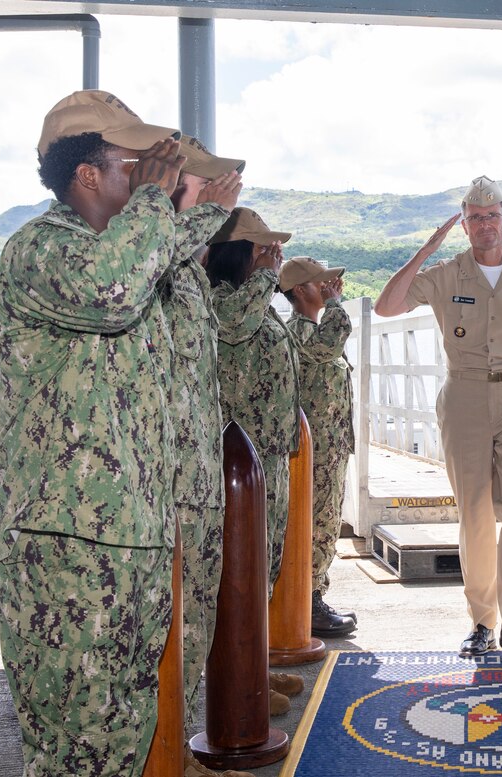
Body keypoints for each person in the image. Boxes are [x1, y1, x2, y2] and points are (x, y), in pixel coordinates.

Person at [0, 90, 225, 776]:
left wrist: (198, 202)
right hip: (68, 552)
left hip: (134, 539)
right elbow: (110, 292)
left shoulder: (135, 251)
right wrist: (159, 202)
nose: (154, 176)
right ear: (86, 175)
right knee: (77, 748)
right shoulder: (41, 249)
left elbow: (158, 262)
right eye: (137, 165)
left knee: (123, 734)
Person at [373, 176, 502, 664]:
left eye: (493, 216)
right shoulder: (445, 275)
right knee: (476, 514)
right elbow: (386, 305)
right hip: (464, 396)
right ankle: (482, 621)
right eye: (475, 218)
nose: (486, 225)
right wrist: (425, 249)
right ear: (464, 225)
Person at [165, 139, 269, 777]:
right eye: (197, 186)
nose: (269, 260)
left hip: (211, 473)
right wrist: (197, 219)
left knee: (207, 614)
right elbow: (235, 324)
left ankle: (212, 715)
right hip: (151, 494)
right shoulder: (136, 268)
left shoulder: (184, 280)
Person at [206, 208, 301, 716]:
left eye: (275, 252)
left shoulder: (256, 302)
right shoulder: (222, 302)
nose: (273, 258)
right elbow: (235, 328)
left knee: (262, 566)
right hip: (240, 463)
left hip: (267, 455)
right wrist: (265, 276)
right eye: (263, 250)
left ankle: (255, 667)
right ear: (236, 253)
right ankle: (238, 682)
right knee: (240, 571)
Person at [280, 256, 359, 639]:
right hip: (317, 450)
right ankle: (308, 602)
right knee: (318, 524)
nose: (329, 289)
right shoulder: (300, 330)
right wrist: (337, 306)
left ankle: (310, 596)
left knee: (323, 522)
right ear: (299, 291)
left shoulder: (311, 327)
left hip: (330, 447)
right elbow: (330, 346)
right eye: (320, 284)